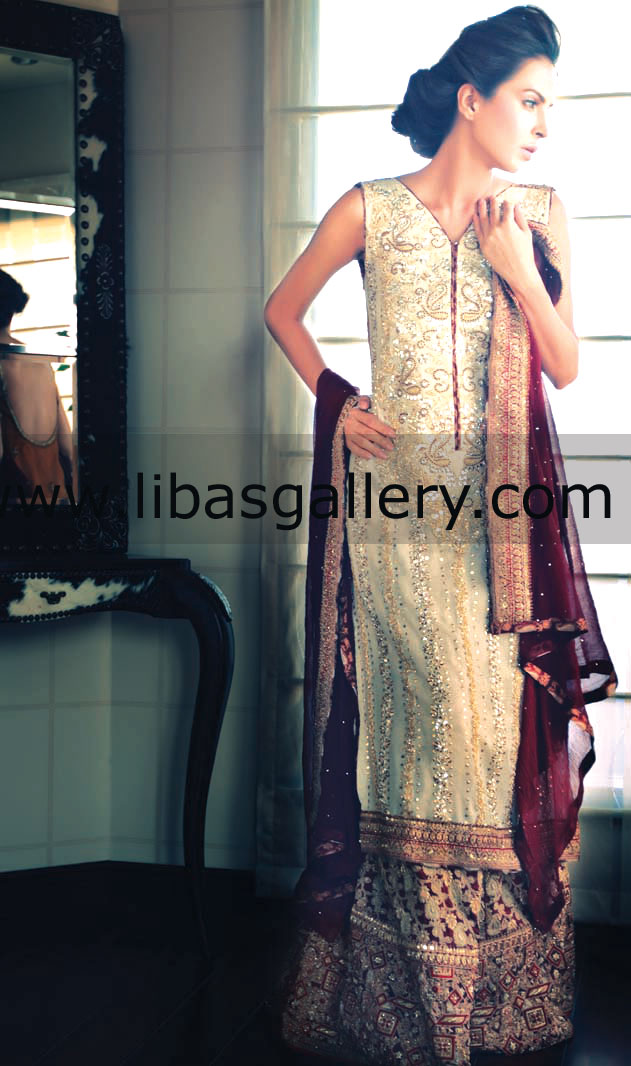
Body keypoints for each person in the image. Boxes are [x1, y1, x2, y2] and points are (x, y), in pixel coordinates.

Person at [263, 6, 616, 1064]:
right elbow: (283, 311)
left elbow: (565, 366)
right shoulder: (369, 209)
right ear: (473, 99)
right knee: (418, 744)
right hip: (397, 520)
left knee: (492, 742)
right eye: (529, 100)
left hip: (504, 529)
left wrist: (517, 268)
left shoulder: (537, 214)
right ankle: (407, 1002)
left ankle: (496, 998)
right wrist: (336, 398)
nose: (543, 124)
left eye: (549, 104)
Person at [0, 265, 75, 502]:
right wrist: (70, 473)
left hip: (13, 488)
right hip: (54, 483)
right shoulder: (38, 360)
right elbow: (65, 436)